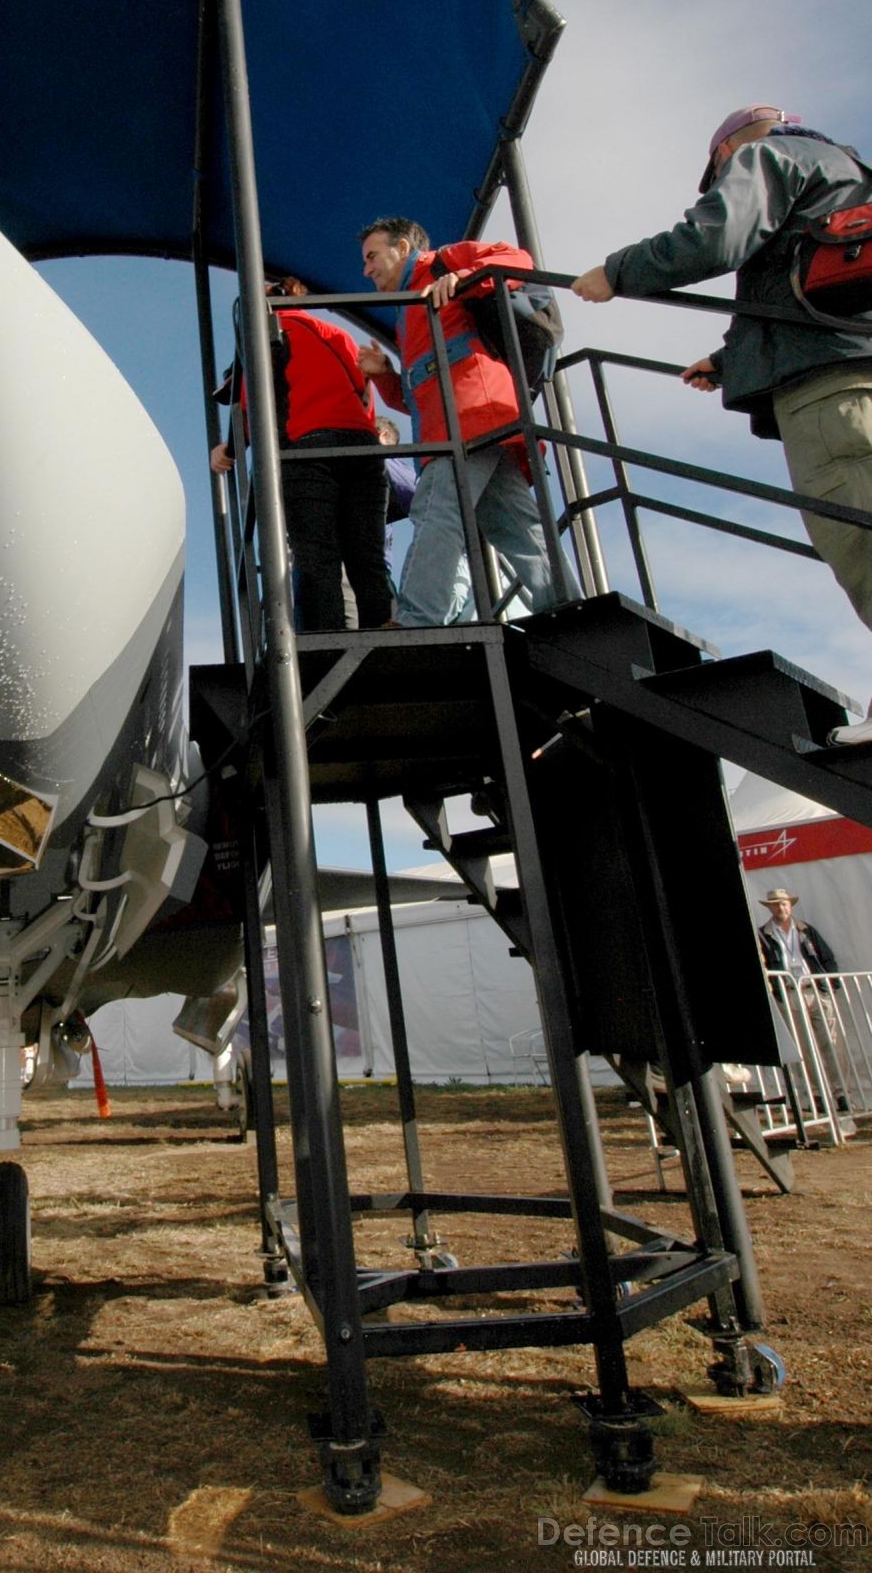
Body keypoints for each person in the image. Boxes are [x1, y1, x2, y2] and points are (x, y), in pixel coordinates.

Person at [572, 105, 872, 743]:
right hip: (854, 372)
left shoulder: (765, 156)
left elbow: (717, 236)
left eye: (717, 171)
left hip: (829, 393)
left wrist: (616, 272)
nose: (721, 179)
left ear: (727, 148)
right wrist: (733, 360)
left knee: (856, 531)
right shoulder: (845, 168)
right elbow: (808, 280)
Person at [356, 217, 578, 626]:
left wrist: (462, 276)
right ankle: (571, 609)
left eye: (372, 256)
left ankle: (416, 620)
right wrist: (386, 373)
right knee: (517, 527)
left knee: (436, 512)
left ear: (403, 248)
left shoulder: (441, 262)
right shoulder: (410, 309)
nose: (366, 269)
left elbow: (517, 260)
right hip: (474, 418)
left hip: (469, 418)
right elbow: (421, 396)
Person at [210, 278, 391, 633]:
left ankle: (329, 643)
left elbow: (252, 409)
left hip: (307, 450)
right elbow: (364, 397)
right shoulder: (336, 334)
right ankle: (383, 632)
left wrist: (227, 451)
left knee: (316, 556)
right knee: (367, 556)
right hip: (364, 449)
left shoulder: (265, 336)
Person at [755, 886, 854, 1119]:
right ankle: (818, 1094)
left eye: (784, 903)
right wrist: (777, 992)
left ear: (790, 905)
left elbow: (826, 957)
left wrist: (830, 986)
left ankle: (842, 1093)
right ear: (769, 907)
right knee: (805, 1048)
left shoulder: (805, 930)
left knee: (831, 1043)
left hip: (814, 990)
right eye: (776, 904)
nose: (781, 908)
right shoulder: (763, 935)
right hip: (790, 992)